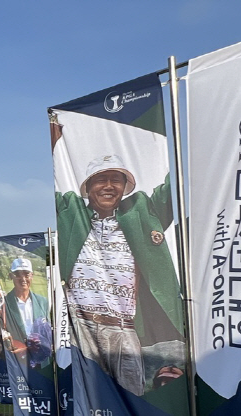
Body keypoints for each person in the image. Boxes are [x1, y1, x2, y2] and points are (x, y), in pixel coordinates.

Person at [55, 154, 184, 396]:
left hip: (125, 329)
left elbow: (176, 185)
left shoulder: (142, 210)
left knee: (132, 398)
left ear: (125, 187)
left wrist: (179, 147)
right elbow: (50, 181)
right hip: (81, 326)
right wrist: (55, 142)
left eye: (116, 179)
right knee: (88, 398)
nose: (108, 186)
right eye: (101, 179)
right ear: (88, 186)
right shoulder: (70, 213)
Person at [2, 258, 52, 369]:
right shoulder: (4, 303)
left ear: (32, 276)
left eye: (26, 274)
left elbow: (48, 331)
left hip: (41, 359)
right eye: (18, 275)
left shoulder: (43, 301)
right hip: (17, 359)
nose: (23, 279)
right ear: (11, 276)